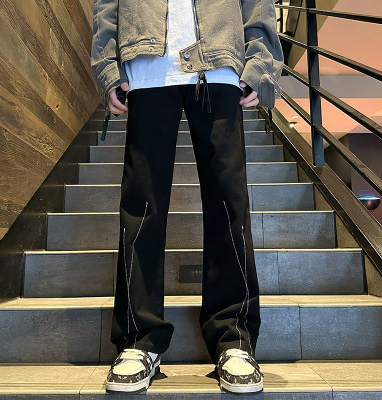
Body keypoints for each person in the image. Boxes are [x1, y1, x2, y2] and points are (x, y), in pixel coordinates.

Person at [90, 0, 284, 395]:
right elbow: (107, 5)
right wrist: (107, 67)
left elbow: (257, 5)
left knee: (229, 206)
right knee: (142, 208)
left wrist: (260, 66)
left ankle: (234, 338)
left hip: (221, 67)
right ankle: (139, 339)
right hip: (145, 69)